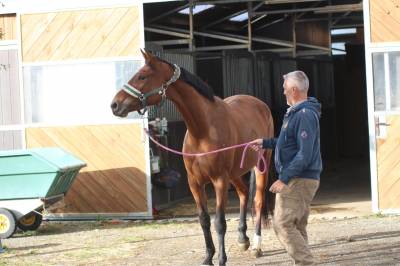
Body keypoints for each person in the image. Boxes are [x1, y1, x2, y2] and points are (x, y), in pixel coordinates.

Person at [251, 70, 322, 266]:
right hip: (301, 177)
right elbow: (288, 142)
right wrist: (266, 142)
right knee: (297, 225)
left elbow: (304, 154)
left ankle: (306, 263)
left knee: (282, 224)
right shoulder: (296, 113)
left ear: (293, 89)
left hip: (298, 178)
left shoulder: (304, 115)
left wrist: (284, 178)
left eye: (284, 89)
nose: (283, 93)